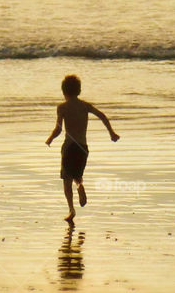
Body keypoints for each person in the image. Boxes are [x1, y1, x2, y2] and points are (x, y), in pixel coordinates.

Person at [45, 74, 119, 222]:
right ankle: (80, 185)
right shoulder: (85, 106)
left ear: (63, 91)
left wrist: (50, 139)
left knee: (66, 179)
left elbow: (59, 129)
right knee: (77, 176)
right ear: (79, 90)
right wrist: (111, 132)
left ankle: (71, 210)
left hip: (69, 147)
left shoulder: (62, 107)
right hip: (82, 147)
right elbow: (102, 116)